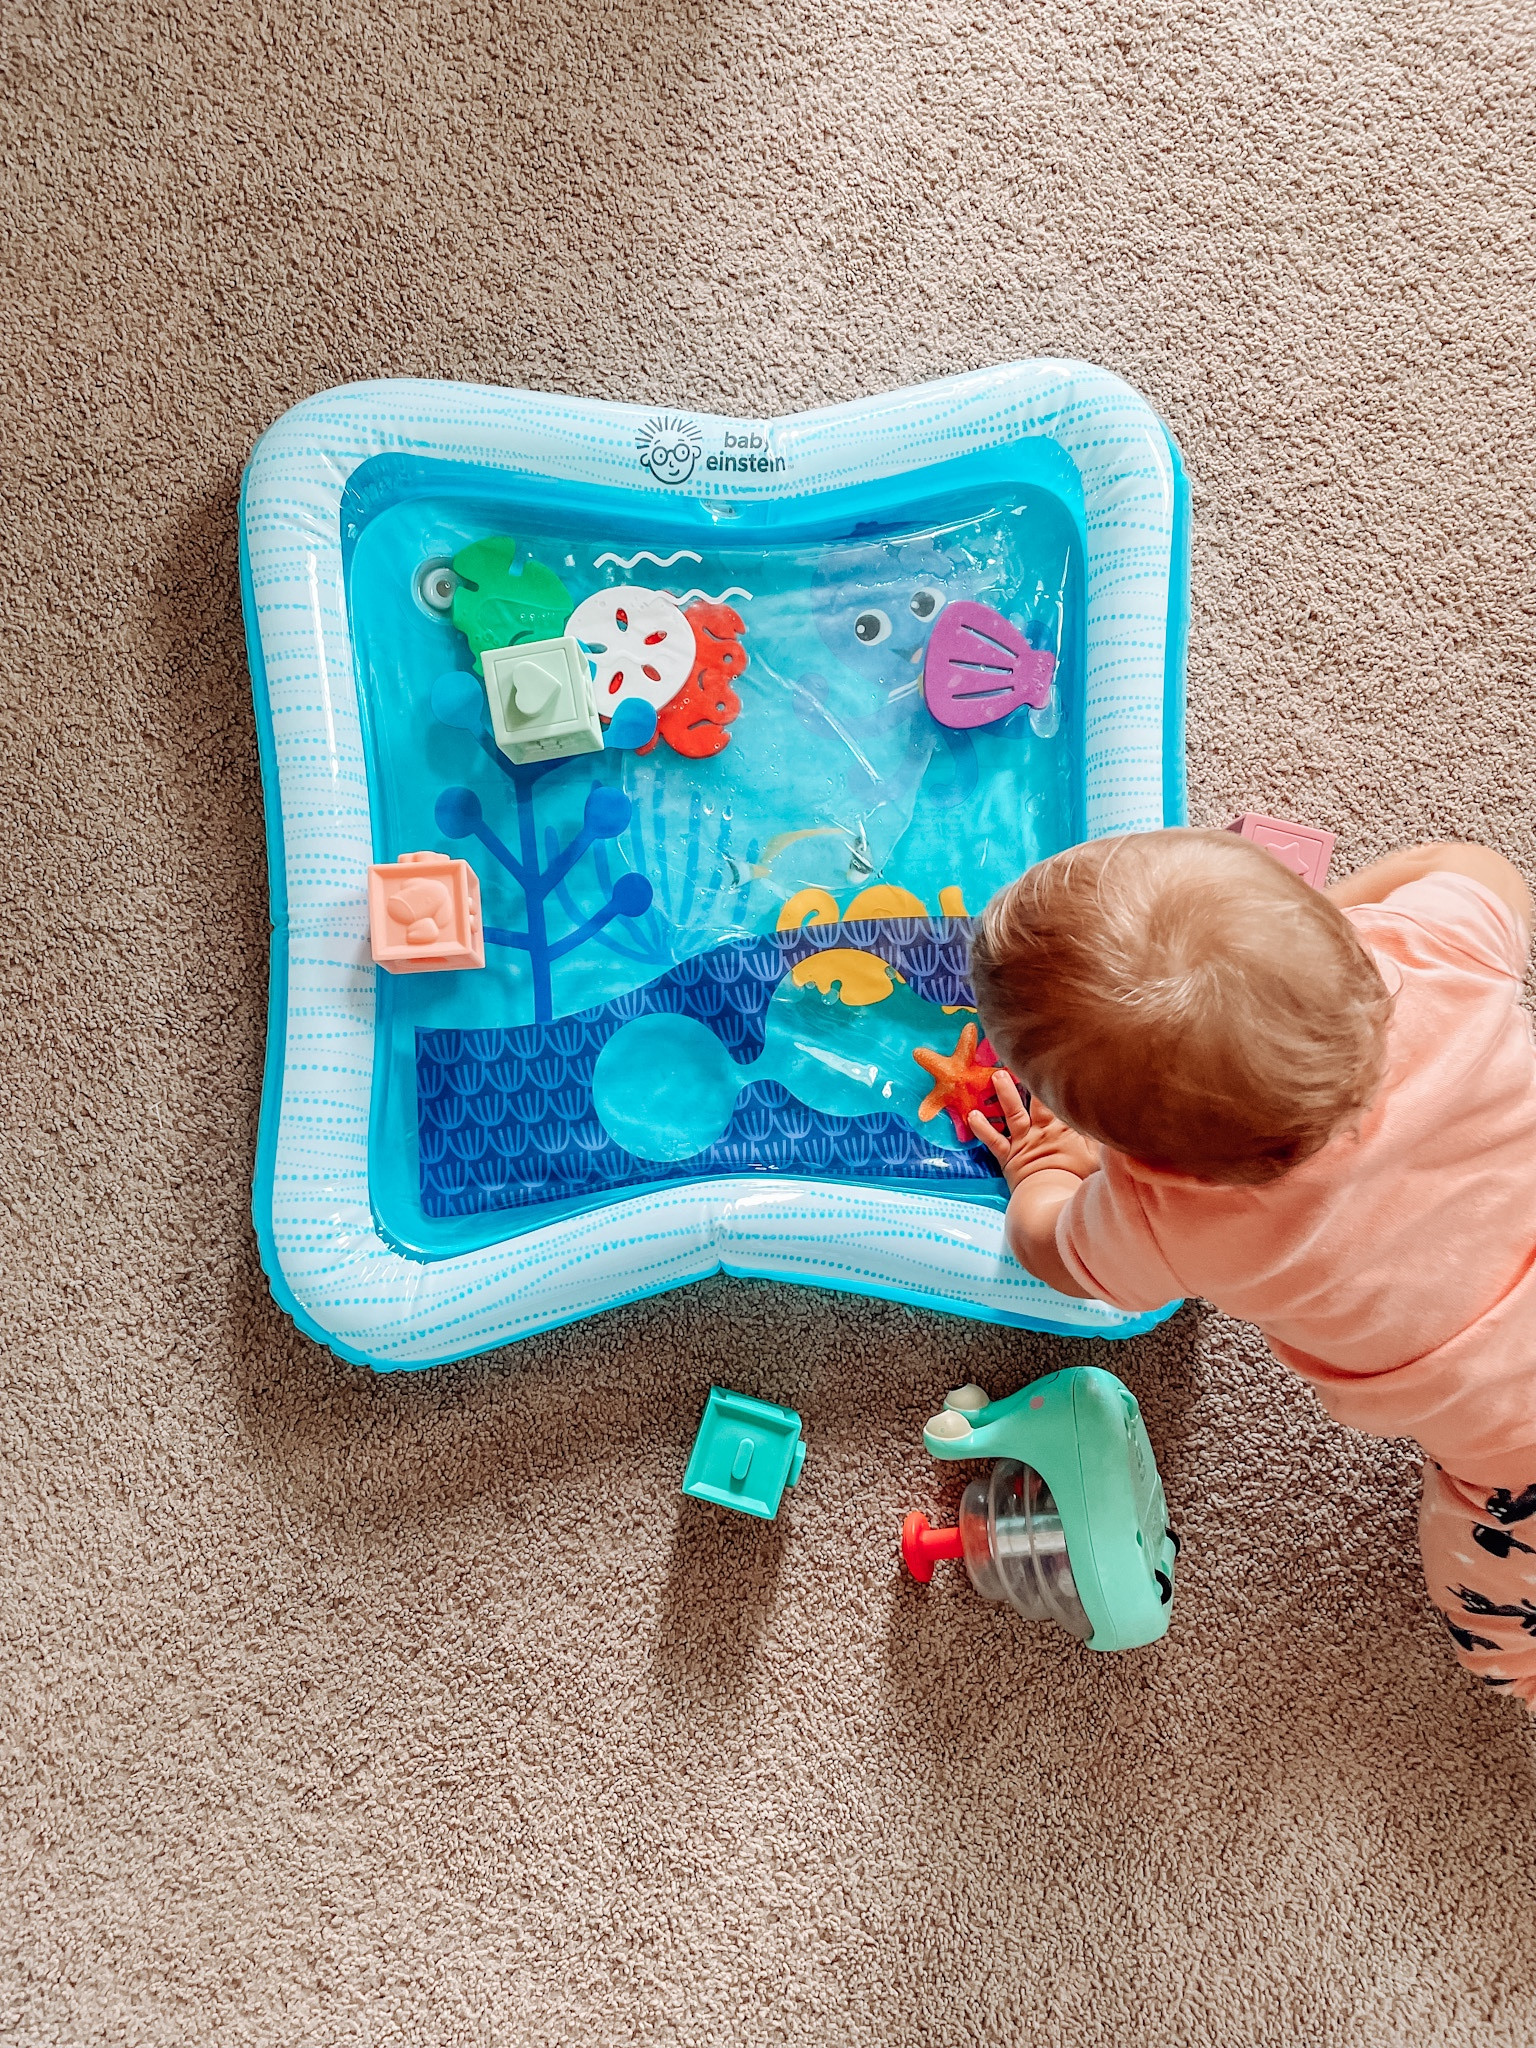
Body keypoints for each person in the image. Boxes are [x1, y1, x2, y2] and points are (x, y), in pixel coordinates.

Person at [965, 829, 1536, 1702]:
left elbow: (1049, 1251)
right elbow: (1475, 865)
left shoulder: (1167, 1218)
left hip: (1516, 1456)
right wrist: (1326, 925)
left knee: (1500, 1622)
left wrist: (1045, 1170)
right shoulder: (1436, 955)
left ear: (1143, 1163)